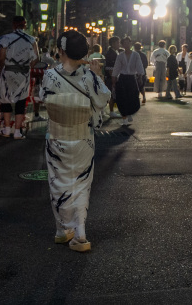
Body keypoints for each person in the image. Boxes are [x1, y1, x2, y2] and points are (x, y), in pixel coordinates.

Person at [40, 29, 110, 253]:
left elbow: (43, 98)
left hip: (57, 136)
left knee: (58, 181)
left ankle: (62, 229)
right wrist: (97, 75)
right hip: (82, 137)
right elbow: (102, 100)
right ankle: (79, 232)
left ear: (61, 50)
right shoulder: (88, 76)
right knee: (80, 183)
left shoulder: (50, 75)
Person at [0, 16, 39, 139]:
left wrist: (2, 68)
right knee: (21, 99)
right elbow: (37, 58)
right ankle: (17, 132)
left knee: (5, 98)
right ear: (24, 25)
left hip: (8, 71)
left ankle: (6, 129)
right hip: (24, 73)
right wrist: (27, 66)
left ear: (13, 25)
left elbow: (1, 57)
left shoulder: (6, 39)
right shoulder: (31, 39)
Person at [112, 36, 144, 126]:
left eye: (128, 43)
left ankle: (129, 113)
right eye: (125, 43)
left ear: (131, 44)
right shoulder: (120, 56)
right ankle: (124, 117)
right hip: (122, 78)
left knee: (133, 97)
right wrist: (114, 79)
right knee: (122, 98)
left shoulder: (136, 55)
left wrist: (140, 76)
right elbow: (116, 68)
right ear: (122, 45)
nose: (127, 44)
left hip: (132, 78)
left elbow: (139, 66)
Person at [104, 37, 121, 119]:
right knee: (111, 94)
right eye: (118, 43)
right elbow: (110, 68)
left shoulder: (114, 52)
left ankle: (111, 111)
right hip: (111, 77)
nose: (119, 44)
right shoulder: (111, 54)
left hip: (113, 77)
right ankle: (111, 111)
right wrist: (114, 79)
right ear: (113, 43)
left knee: (112, 94)